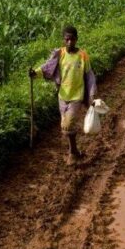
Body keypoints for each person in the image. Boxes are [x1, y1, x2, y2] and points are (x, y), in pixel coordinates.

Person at [29, 25, 96, 166]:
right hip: (62, 96)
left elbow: (89, 76)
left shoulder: (83, 55)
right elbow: (47, 67)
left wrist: (91, 94)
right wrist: (35, 73)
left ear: (76, 39)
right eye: (67, 39)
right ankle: (75, 151)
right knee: (65, 127)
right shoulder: (60, 54)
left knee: (68, 124)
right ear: (64, 40)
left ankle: (72, 154)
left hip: (76, 95)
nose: (70, 42)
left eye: (72, 39)